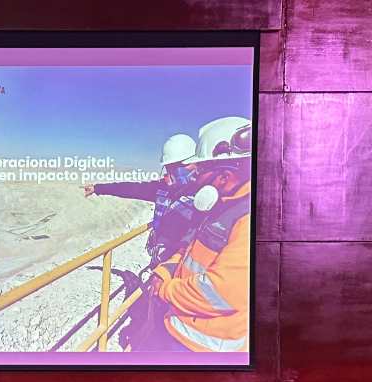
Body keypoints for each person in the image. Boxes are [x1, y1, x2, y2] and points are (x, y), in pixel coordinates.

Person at [86, 116, 252, 352]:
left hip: (196, 325)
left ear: (191, 166)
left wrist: (166, 287)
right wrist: (99, 188)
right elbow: (132, 188)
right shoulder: (167, 190)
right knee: (156, 311)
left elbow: (222, 288)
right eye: (167, 169)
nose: (169, 175)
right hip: (170, 273)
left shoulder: (211, 200)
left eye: (175, 169)